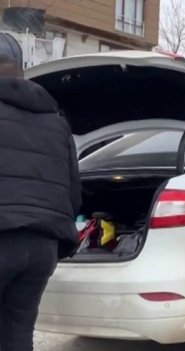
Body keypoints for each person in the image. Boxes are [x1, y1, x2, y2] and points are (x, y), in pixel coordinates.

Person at [0, 33, 81, 350]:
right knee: (17, 333)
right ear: (21, 69)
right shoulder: (56, 121)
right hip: (43, 247)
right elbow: (74, 192)